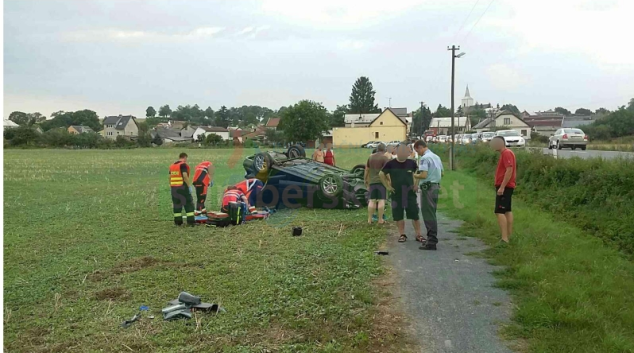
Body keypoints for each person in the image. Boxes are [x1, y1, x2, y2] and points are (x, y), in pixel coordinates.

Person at [380, 143, 424, 243]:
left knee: (414, 215)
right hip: (396, 193)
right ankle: (402, 234)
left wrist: (416, 184)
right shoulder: (391, 163)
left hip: (410, 193)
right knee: (398, 215)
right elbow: (381, 174)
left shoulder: (411, 163)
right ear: (396, 152)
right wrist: (387, 186)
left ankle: (418, 234)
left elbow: (418, 173)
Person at [413, 140, 444, 250]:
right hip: (435, 186)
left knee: (428, 214)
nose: (418, 153)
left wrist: (415, 175)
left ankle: (431, 241)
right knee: (432, 212)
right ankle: (432, 238)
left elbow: (424, 174)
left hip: (427, 187)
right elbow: (442, 173)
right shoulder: (436, 157)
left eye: (417, 151)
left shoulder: (424, 158)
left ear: (420, 147)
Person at [491, 136, 517, 244]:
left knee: (499, 211)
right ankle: (508, 235)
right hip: (506, 186)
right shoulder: (505, 154)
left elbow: (509, 170)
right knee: (507, 210)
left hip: (505, 187)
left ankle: (504, 238)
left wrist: (502, 187)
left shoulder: (507, 153)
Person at [365, 143, 390, 224]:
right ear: (385, 150)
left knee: (372, 200)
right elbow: (387, 172)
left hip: (372, 182)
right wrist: (389, 180)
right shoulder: (384, 158)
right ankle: (380, 219)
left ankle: (369, 219)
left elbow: (367, 169)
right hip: (381, 182)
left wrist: (365, 179)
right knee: (381, 200)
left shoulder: (370, 157)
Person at [169, 152, 195, 226]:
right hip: (182, 187)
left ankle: (178, 222)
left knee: (177, 205)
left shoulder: (172, 166)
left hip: (174, 188)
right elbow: (185, 176)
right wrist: (189, 186)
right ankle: (190, 222)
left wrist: (172, 186)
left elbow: (169, 177)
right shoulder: (183, 164)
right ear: (184, 157)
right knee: (188, 204)